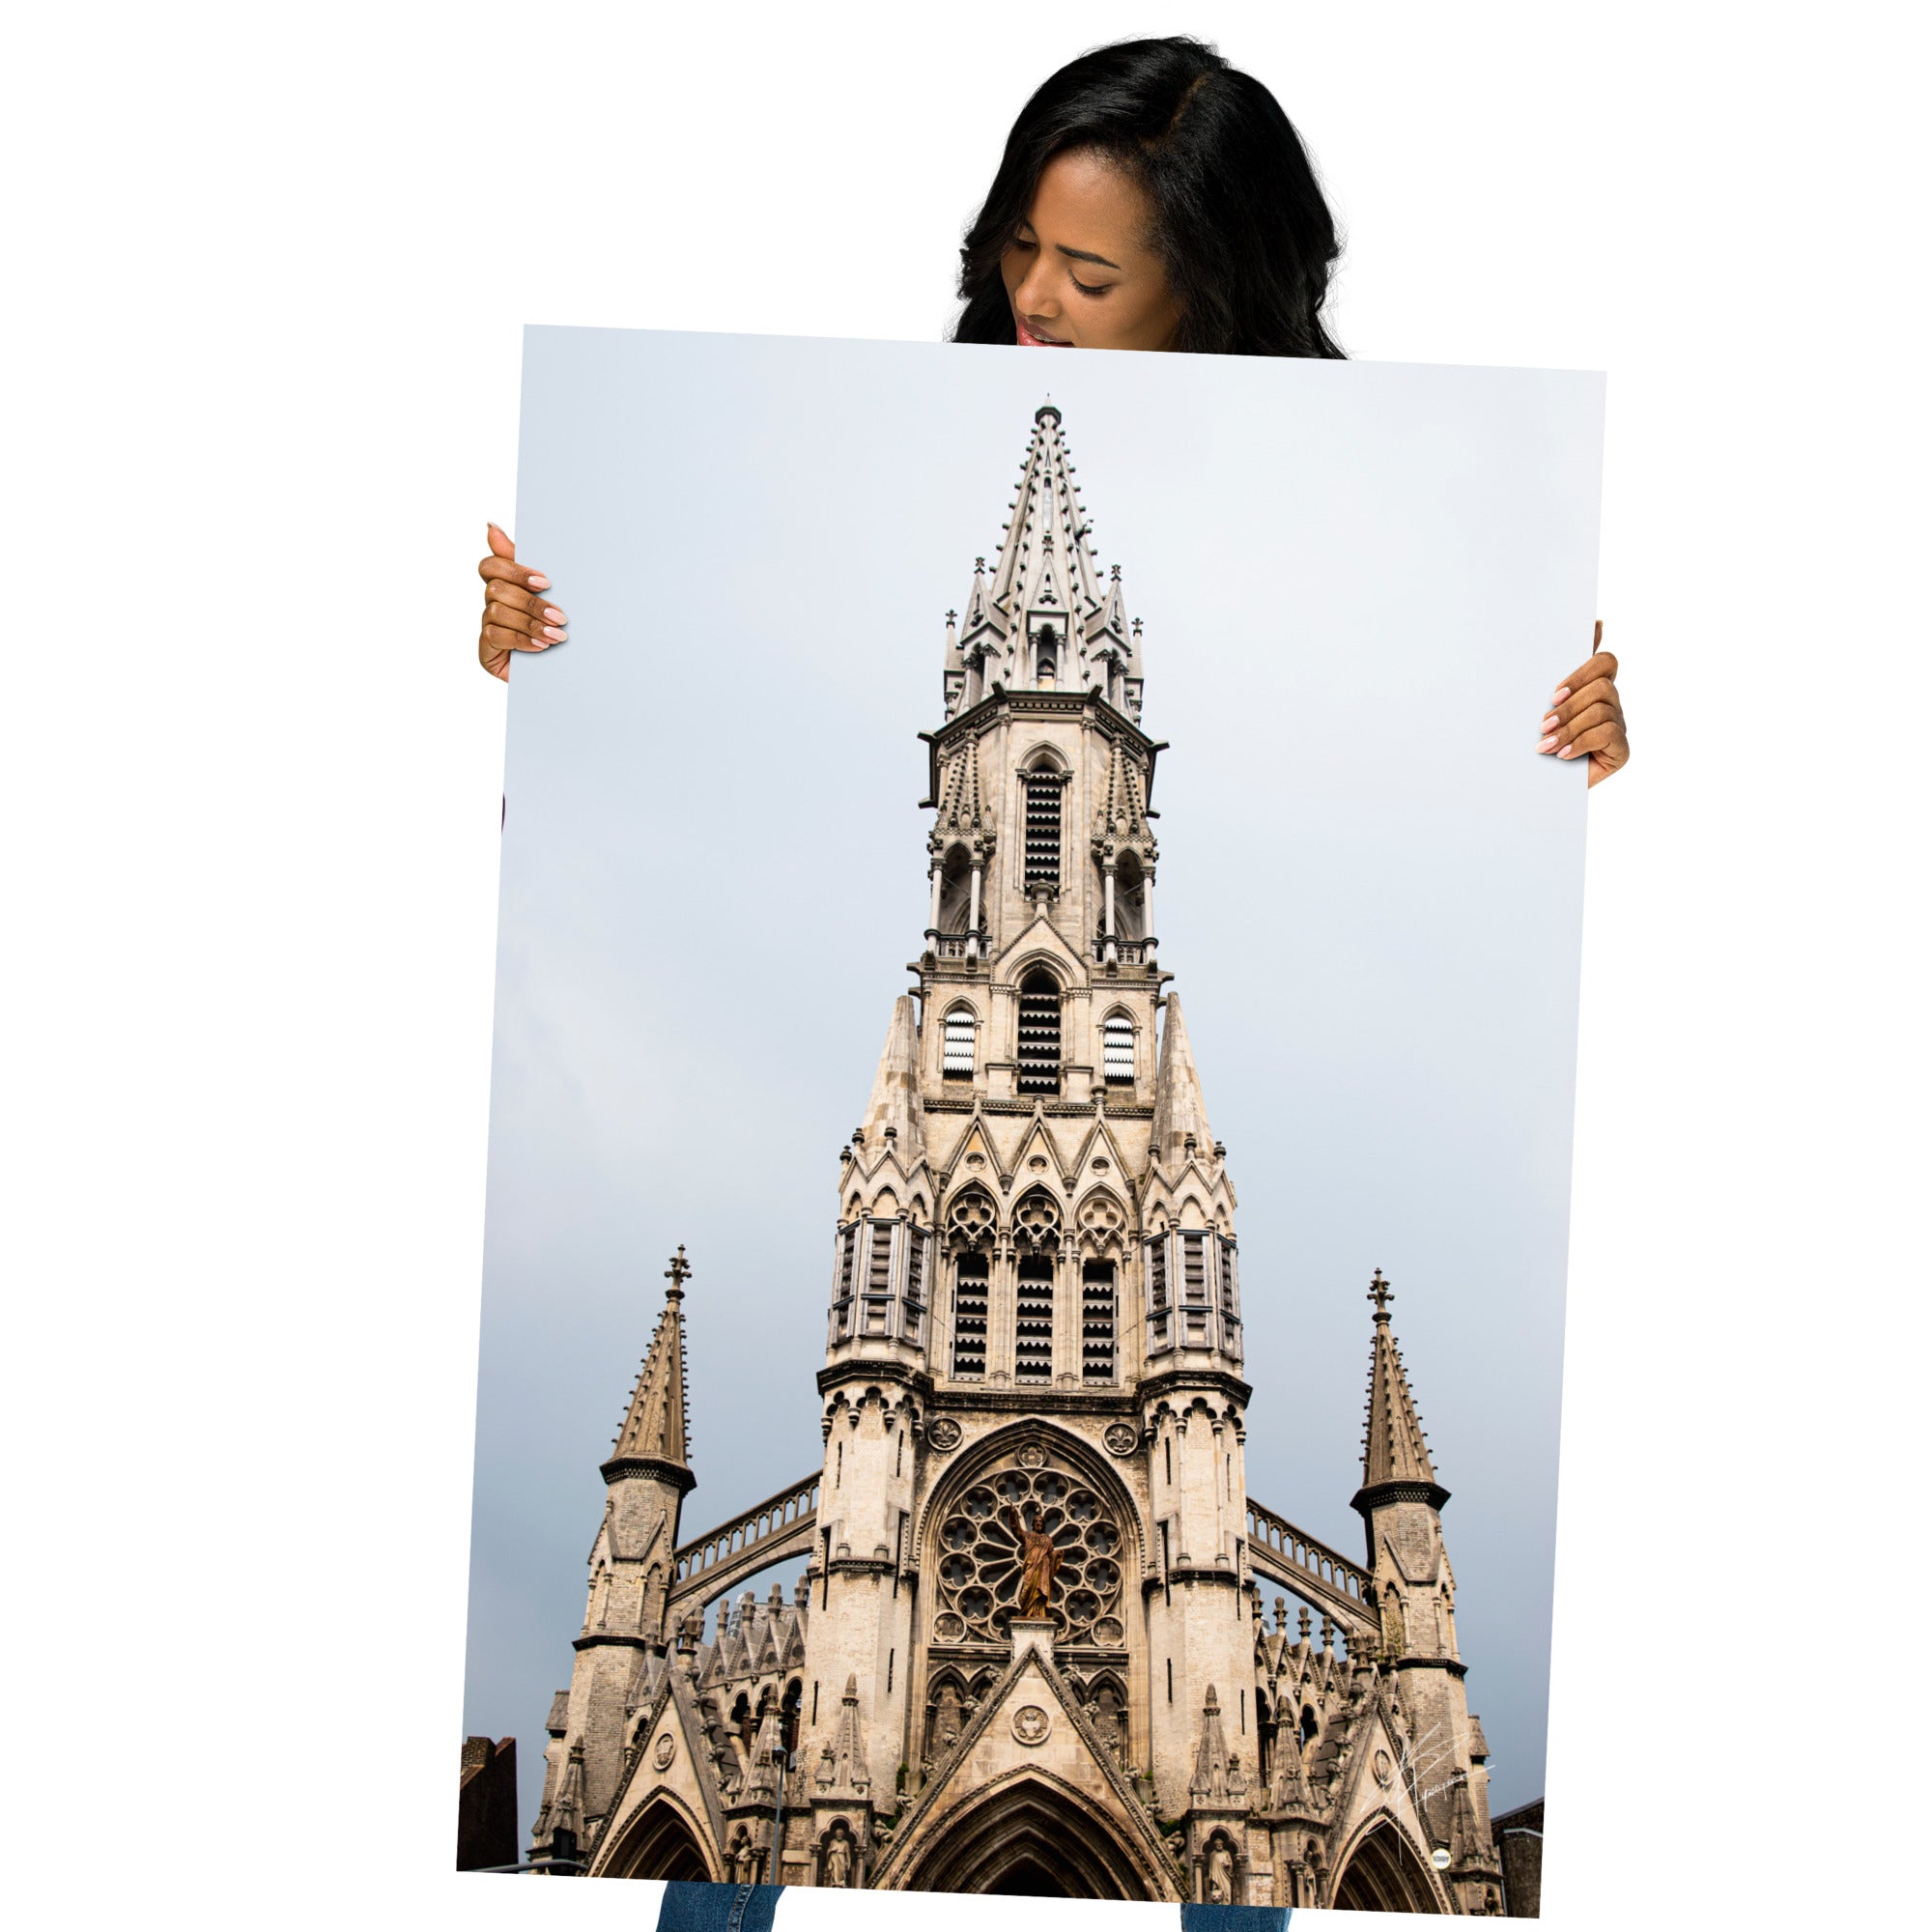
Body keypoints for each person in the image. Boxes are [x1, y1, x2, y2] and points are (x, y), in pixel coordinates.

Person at [476, 36, 1628, 782]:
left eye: (1088, 277)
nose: (1030, 298)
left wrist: (1581, 750)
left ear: (1209, 282)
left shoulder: (1379, 519)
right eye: (1018, 247)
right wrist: (536, 656)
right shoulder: (898, 447)